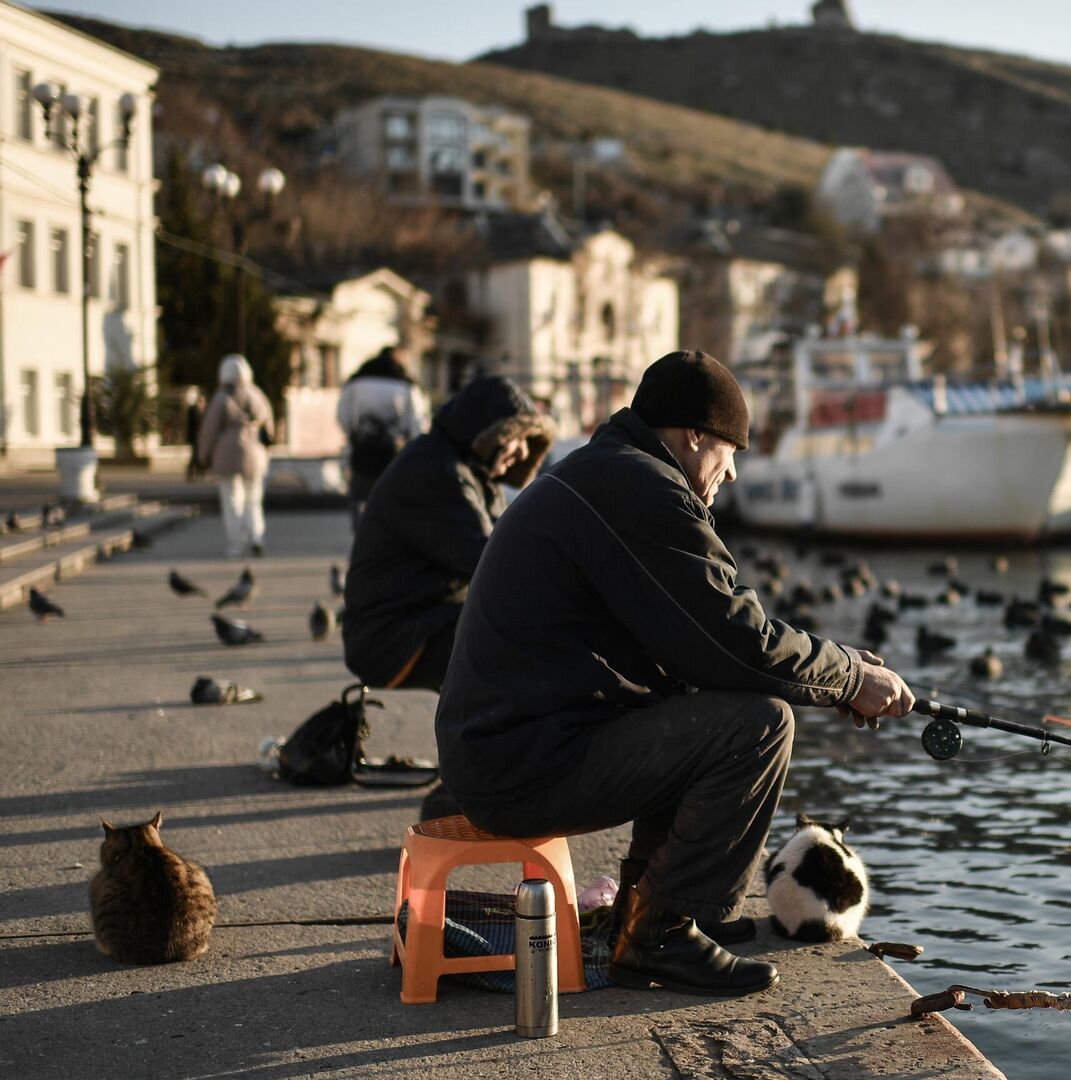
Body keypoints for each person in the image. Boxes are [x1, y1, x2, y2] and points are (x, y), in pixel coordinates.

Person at [434, 349, 914, 998]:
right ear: (693, 435)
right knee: (758, 725)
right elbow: (737, 639)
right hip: (517, 767)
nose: (734, 472)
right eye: (730, 450)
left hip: (504, 747)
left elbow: (706, 647)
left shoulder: (610, 472)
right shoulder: (640, 488)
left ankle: (649, 914)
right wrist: (849, 678)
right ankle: (660, 935)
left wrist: (836, 673)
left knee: (706, 697)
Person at [343, 375, 553, 693]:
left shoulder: (472, 472)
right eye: (517, 438)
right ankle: (501, 739)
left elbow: (510, 551)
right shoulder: (439, 473)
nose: (523, 453)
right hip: (393, 638)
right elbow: (493, 562)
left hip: (421, 621)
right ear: (487, 433)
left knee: (525, 624)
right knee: (519, 635)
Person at [336, 346, 431, 523]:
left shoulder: (356, 383)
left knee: (360, 494)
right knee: (392, 494)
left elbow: (342, 416)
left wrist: (355, 433)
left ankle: (360, 531)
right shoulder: (405, 385)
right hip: (393, 451)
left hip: (361, 449)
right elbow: (418, 423)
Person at [196, 355, 275, 558]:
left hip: (227, 455)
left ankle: (235, 543)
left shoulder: (222, 397)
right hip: (256, 453)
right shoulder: (257, 394)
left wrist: (202, 455)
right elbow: (270, 424)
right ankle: (257, 537)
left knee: (232, 499)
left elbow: (210, 430)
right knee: (254, 498)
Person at [180, 386, 207, 481]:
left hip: (197, 437)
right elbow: (195, 424)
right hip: (195, 437)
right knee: (195, 456)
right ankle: (194, 473)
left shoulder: (199, 411)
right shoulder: (194, 411)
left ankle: (197, 473)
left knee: (196, 456)